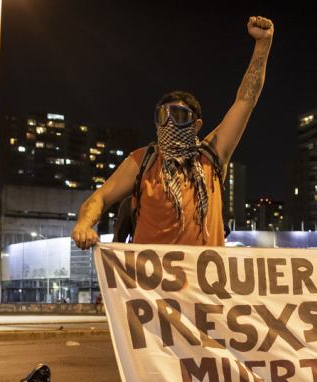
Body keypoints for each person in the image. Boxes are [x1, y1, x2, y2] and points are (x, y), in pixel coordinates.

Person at [71, 16, 274, 250]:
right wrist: (83, 224)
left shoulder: (211, 156)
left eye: (178, 116)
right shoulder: (143, 161)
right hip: (149, 274)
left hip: (203, 274)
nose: (169, 123)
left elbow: (246, 100)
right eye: (162, 116)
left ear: (196, 125)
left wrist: (263, 44)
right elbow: (100, 197)